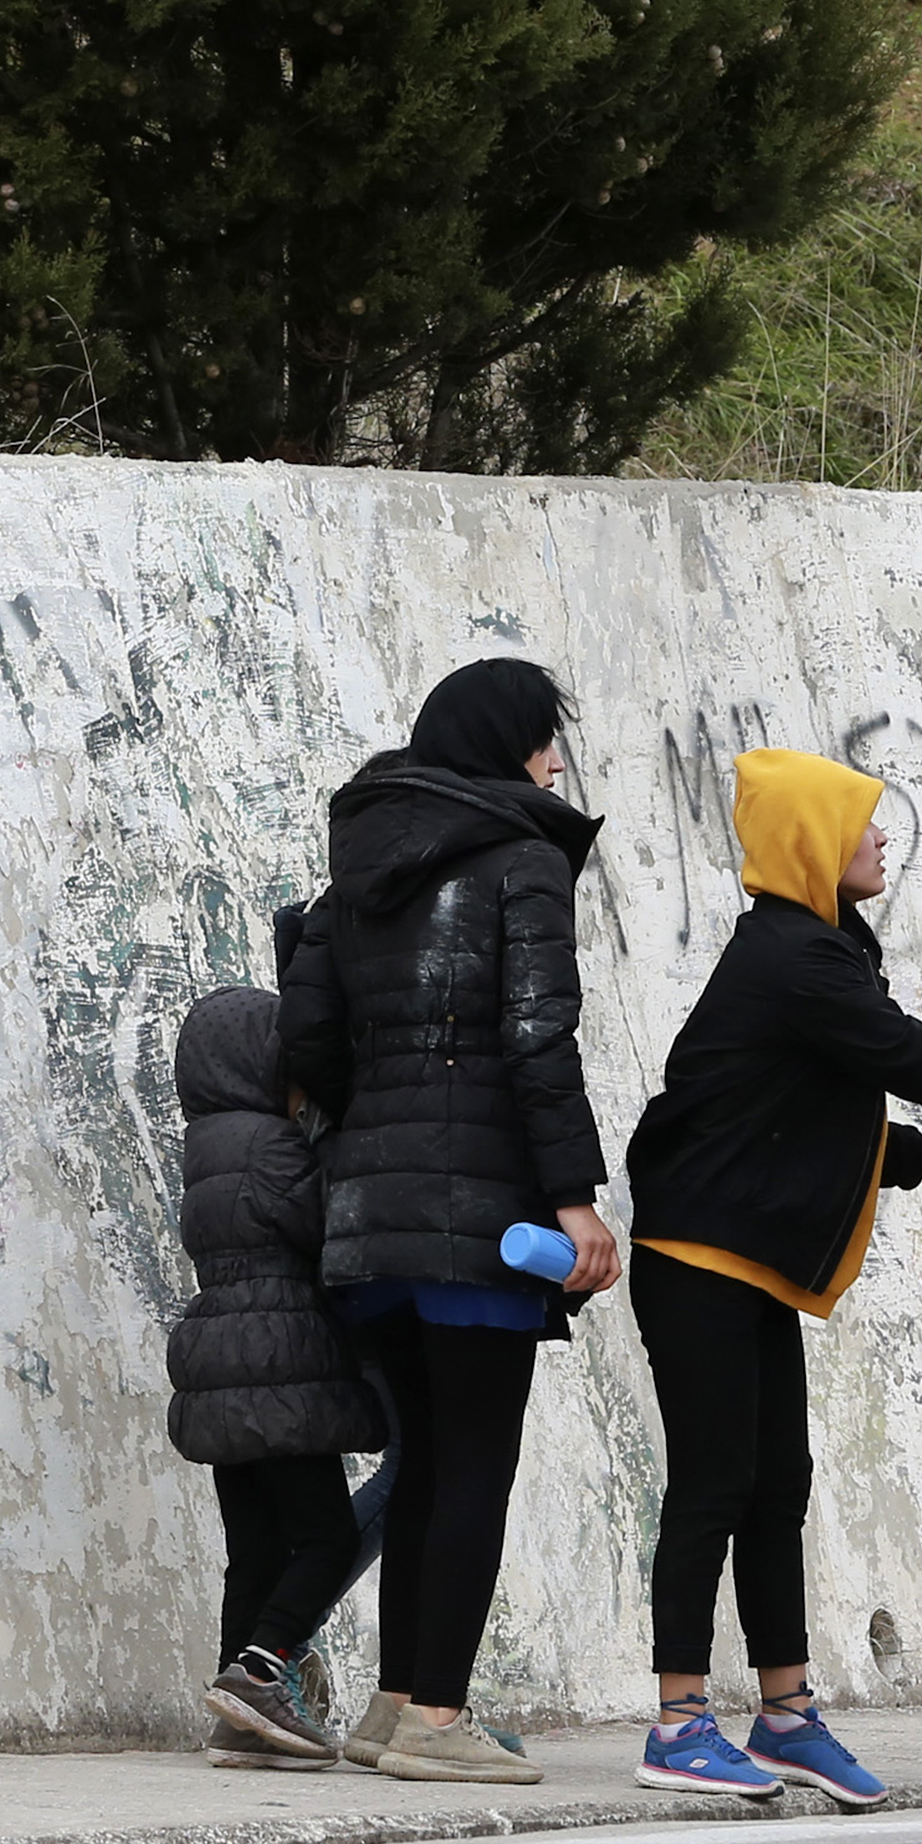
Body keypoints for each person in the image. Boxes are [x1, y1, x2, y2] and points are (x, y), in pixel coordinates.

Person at [619, 749, 922, 1803]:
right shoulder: (796, 960)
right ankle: (677, 1720)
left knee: (776, 1483)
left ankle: (785, 1715)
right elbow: (919, 1059)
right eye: (861, 824)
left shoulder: (818, 952)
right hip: (696, 1257)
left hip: (740, 1257)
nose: (880, 840)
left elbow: (786, 1119)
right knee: (713, 1485)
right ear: (811, 845)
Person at [282, 658, 619, 1787]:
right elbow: (538, 1036)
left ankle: (392, 1705)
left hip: (369, 1218)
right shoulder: (521, 860)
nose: (556, 763)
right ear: (500, 747)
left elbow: (313, 1045)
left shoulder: (356, 874)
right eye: (542, 741)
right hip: (475, 1213)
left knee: (426, 1459)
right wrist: (577, 1204)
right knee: (475, 1460)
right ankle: (437, 1715)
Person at [165, 984, 387, 1769]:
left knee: (253, 1546)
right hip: (281, 1359)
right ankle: (263, 1666)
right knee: (323, 1536)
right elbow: (326, 1230)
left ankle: (236, 1711)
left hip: (219, 1366)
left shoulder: (204, 1146)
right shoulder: (273, 1146)